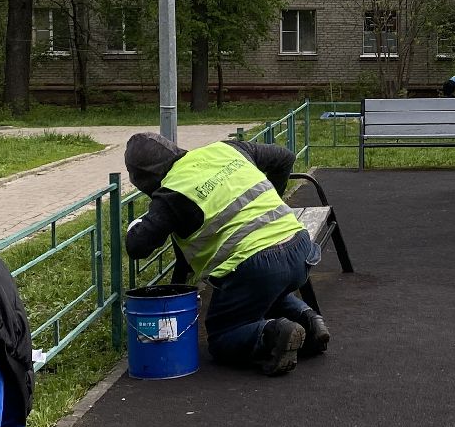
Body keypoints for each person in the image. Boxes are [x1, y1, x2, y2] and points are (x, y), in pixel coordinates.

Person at [122, 133, 327, 376]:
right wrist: (275, 199)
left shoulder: (172, 194)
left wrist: (137, 222)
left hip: (257, 266)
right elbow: (284, 157)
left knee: (221, 335)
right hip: (299, 246)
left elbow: (137, 245)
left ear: (145, 180)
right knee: (258, 293)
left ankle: (274, 334)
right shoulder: (226, 149)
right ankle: (310, 321)